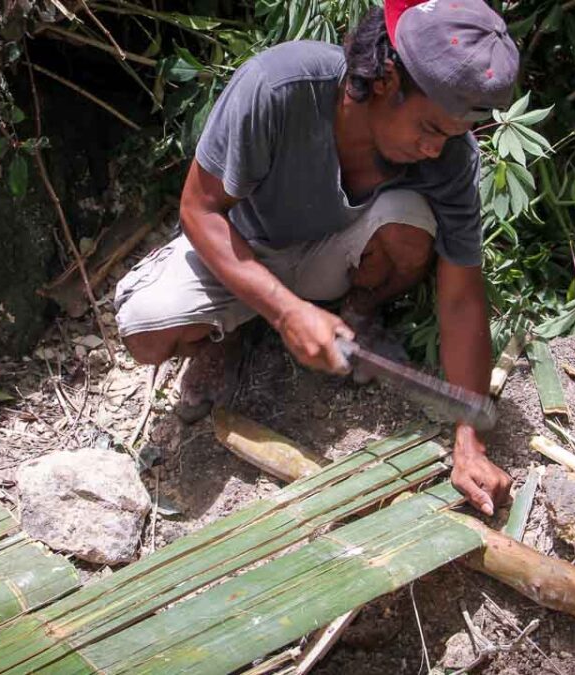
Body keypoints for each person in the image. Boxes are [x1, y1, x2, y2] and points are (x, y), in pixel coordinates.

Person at [114, 0, 516, 515]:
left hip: (336, 256)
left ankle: (358, 314)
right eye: (431, 129)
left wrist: (469, 441)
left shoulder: (451, 159)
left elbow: (461, 296)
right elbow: (200, 209)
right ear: (387, 79)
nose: (436, 150)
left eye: (451, 136)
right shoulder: (279, 87)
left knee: (410, 223)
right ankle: (230, 334)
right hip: (244, 249)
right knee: (145, 329)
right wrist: (283, 311)